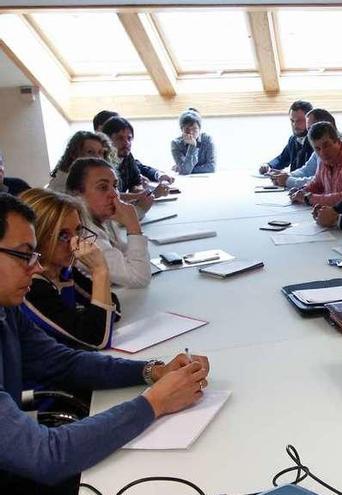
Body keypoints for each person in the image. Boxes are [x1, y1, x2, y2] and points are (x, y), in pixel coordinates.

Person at [0, 192, 209, 492]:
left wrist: (151, 371)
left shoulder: (7, 308)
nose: (36, 267)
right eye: (24, 254)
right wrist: (154, 403)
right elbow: (46, 456)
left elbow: (65, 362)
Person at [19, 188, 119, 350]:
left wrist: (88, 318)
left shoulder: (61, 270)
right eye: (63, 236)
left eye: (78, 231)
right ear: (36, 238)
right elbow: (97, 339)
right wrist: (100, 271)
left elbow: (113, 310)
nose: (75, 244)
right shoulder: (31, 287)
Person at [66, 158, 151, 289]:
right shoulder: (84, 235)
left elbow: (125, 253)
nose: (114, 194)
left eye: (115, 186)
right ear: (77, 195)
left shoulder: (103, 220)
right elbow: (139, 278)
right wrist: (133, 226)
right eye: (103, 187)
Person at [269, 108, 342, 190]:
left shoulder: (340, 145)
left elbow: (323, 182)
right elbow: (307, 170)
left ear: (324, 125)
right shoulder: (320, 143)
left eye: (312, 128)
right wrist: (286, 175)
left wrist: (288, 181)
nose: (309, 134)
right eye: (308, 129)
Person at [102, 116, 173, 207]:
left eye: (129, 138)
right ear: (107, 141)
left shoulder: (127, 157)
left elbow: (136, 184)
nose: (127, 143)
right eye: (120, 138)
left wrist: (142, 192)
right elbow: (109, 197)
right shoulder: (102, 164)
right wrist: (150, 194)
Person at [289, 122, 342, 208]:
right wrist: (302, 191)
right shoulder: (323, 160)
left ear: (337, 141)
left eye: (326, 145)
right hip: (329, 214)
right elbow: (316, 184)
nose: (323, 152)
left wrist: (308, 198)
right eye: (317, 149)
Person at [47, 131, 115, 193]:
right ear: (74, 154)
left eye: (100, 152)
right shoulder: (61, 187)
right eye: (90, 152)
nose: (98, 158)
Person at [259, 100, 314, 175]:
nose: (294, 125)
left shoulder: (316, 142)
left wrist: (288, 176)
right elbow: (282, 159)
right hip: (293, 184)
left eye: (299, 121)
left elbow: (309, 173)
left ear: (309, 120)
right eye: (292, 121)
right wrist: (268, 166)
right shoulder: (293, 139)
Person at [170, 108, 216, 175]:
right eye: (187, 129)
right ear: (181, 130)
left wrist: (185, 169)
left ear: (200, 129)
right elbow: (185, 171)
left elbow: (212, 167)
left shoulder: (207, 139)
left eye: (194, 129)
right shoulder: (176, 143)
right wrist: (192, 146)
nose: (191, 132)